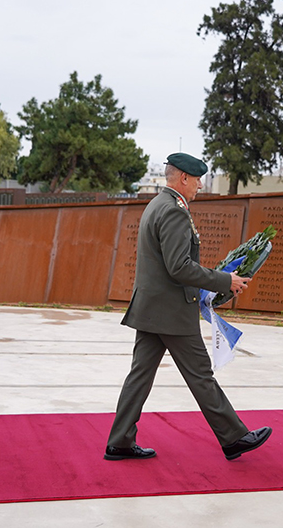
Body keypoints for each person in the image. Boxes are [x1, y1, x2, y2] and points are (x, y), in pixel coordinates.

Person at [105, 153, 271, 461]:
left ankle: (120, 441)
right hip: (171, 312)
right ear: (183, 178)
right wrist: (225, 280)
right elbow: (179, 267)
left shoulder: (158, 204)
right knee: (200, 374)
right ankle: (234, 437)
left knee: (140, 376)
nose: (199, 185)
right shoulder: (174, 211)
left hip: (153, 309)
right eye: (197, 180)